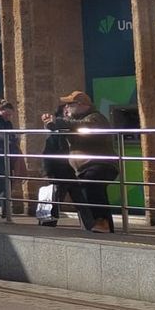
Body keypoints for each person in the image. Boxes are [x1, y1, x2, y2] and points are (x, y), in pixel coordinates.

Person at [43, 89, 118, 233]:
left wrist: (60, 121)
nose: (66, 107)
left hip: (100, 164)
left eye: (70, 104)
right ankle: (105, 225)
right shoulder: (76, 121)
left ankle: (102, 221)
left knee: (91, 184)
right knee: (93, 189)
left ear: (81, 104)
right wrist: (50, 123)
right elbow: (62, 131)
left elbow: (84, 125)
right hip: (85, 166)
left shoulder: (95, 117)